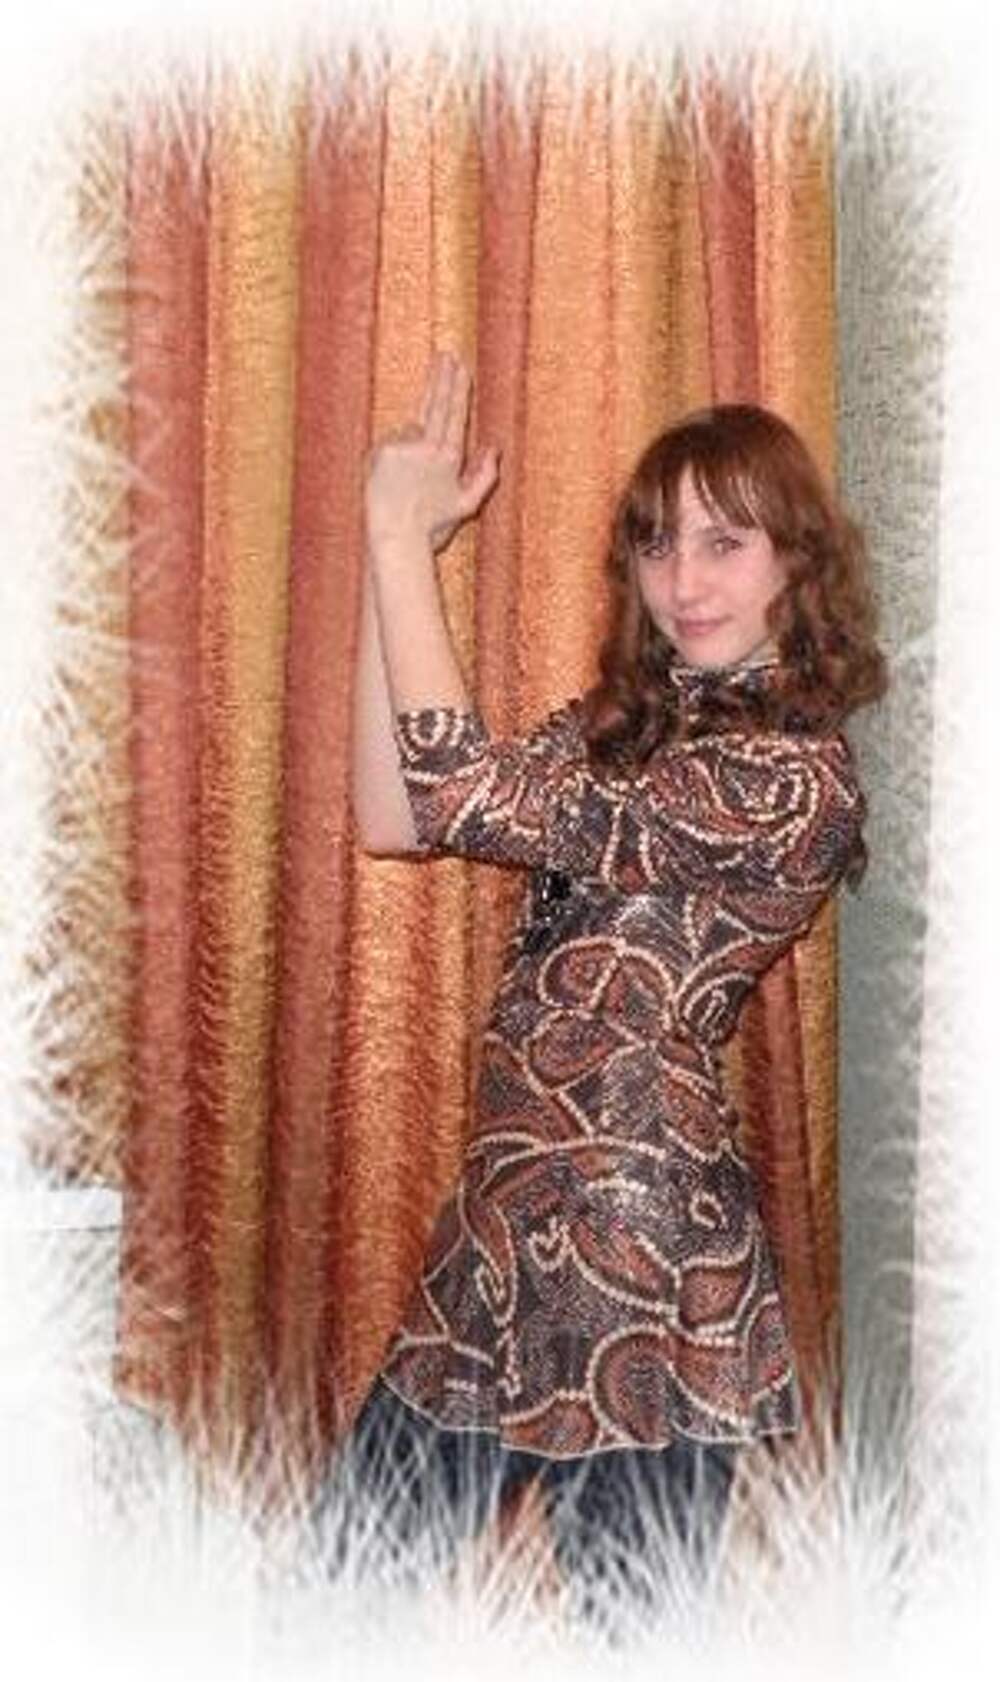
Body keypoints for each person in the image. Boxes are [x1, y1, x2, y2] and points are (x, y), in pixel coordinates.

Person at [334, 350, 886, 1630]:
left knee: (632, 1636)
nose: (682, 580)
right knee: (334, 1598)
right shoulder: (626, 727)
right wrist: (386, 554)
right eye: (655, 543)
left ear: (797, 561)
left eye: (724, 543)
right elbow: (397, 812)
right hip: (502, 1234)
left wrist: (397, 537)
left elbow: (460, 791)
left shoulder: (792, 779)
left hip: (642, 1263)